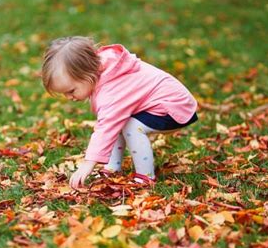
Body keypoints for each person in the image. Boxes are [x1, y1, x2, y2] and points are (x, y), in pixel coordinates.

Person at [41, 36, 198, 189]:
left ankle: (145, 176)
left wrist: (88, 163)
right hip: (165, 104)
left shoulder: (111, 92)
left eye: (71, 91)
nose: (69, 98)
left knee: (131, 127)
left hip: (174, 108)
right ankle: (112, 168)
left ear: (88, 74)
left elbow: (106, 129)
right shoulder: (105, 68)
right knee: (120, 122)